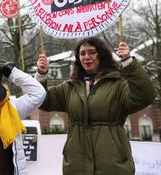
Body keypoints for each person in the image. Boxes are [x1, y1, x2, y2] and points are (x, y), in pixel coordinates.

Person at [35, 37, 156, 175]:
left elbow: (145, 96)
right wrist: (42, 75)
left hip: (112, 167)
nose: (86, 57)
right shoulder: (69, 87)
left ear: (102, 55)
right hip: (76, 166)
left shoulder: (119, 84)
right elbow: (41, 101)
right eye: (82, 53)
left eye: (92, 52)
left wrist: (128, 62)